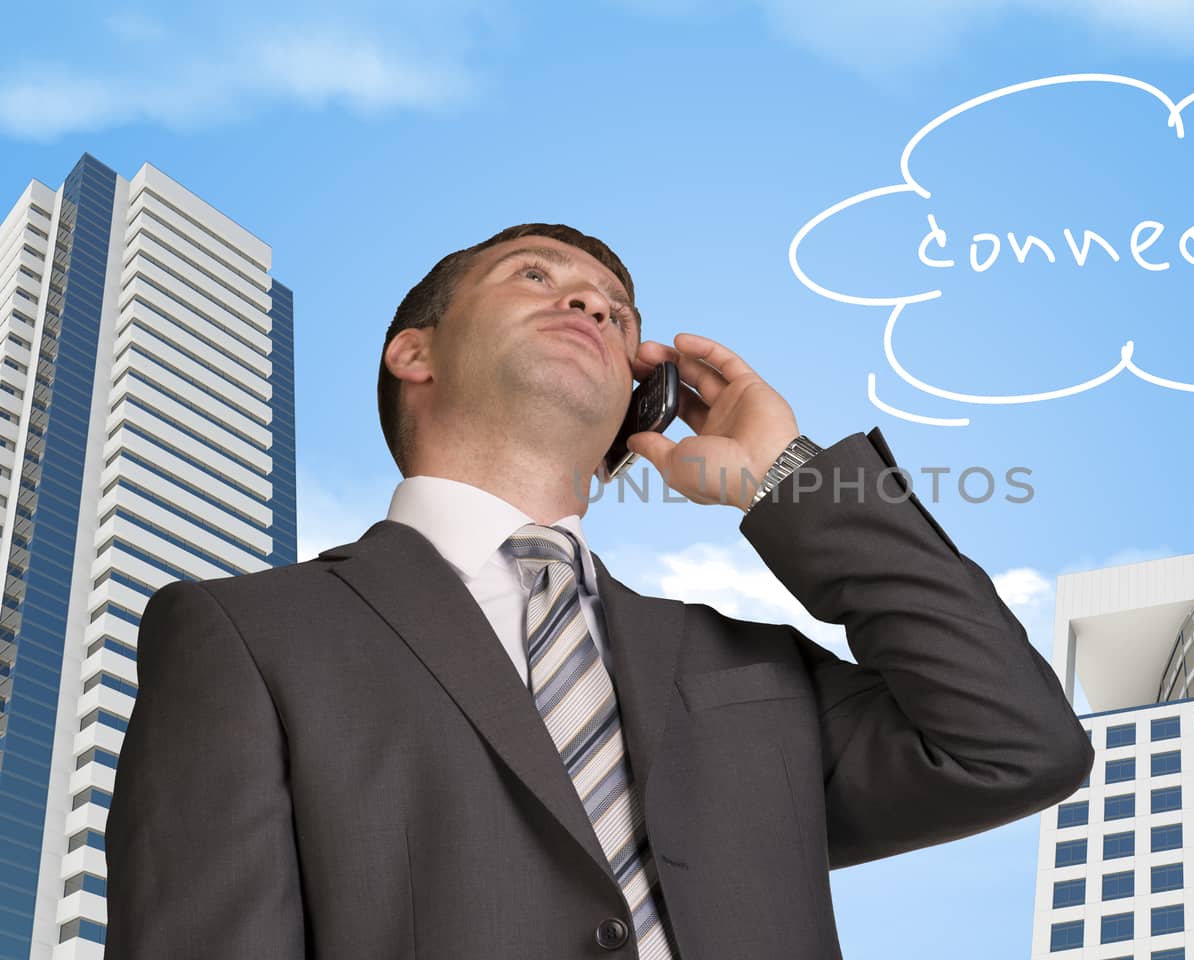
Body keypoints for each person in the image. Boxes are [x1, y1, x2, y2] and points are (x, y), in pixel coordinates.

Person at [104, 223, 1095, 959]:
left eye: (617, 315)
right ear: (414, 351)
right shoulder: (247, 635)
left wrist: (788, 477)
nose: (589, 306)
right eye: (534, 278)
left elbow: (1014, 746)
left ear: (639, 401)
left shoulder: (744, 668)